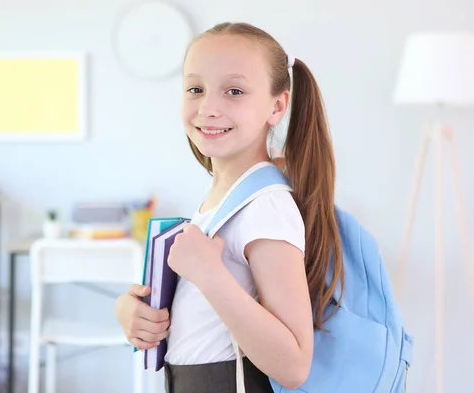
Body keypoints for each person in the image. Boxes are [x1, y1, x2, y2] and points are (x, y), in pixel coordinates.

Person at [114, 22, 344, 393]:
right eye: (195, 89)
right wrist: (132, 311)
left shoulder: (266, 207)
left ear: (277, 105)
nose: (208, 107)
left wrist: (209, 274)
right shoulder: (224, 198)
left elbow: (294, 365)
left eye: (234, 91)